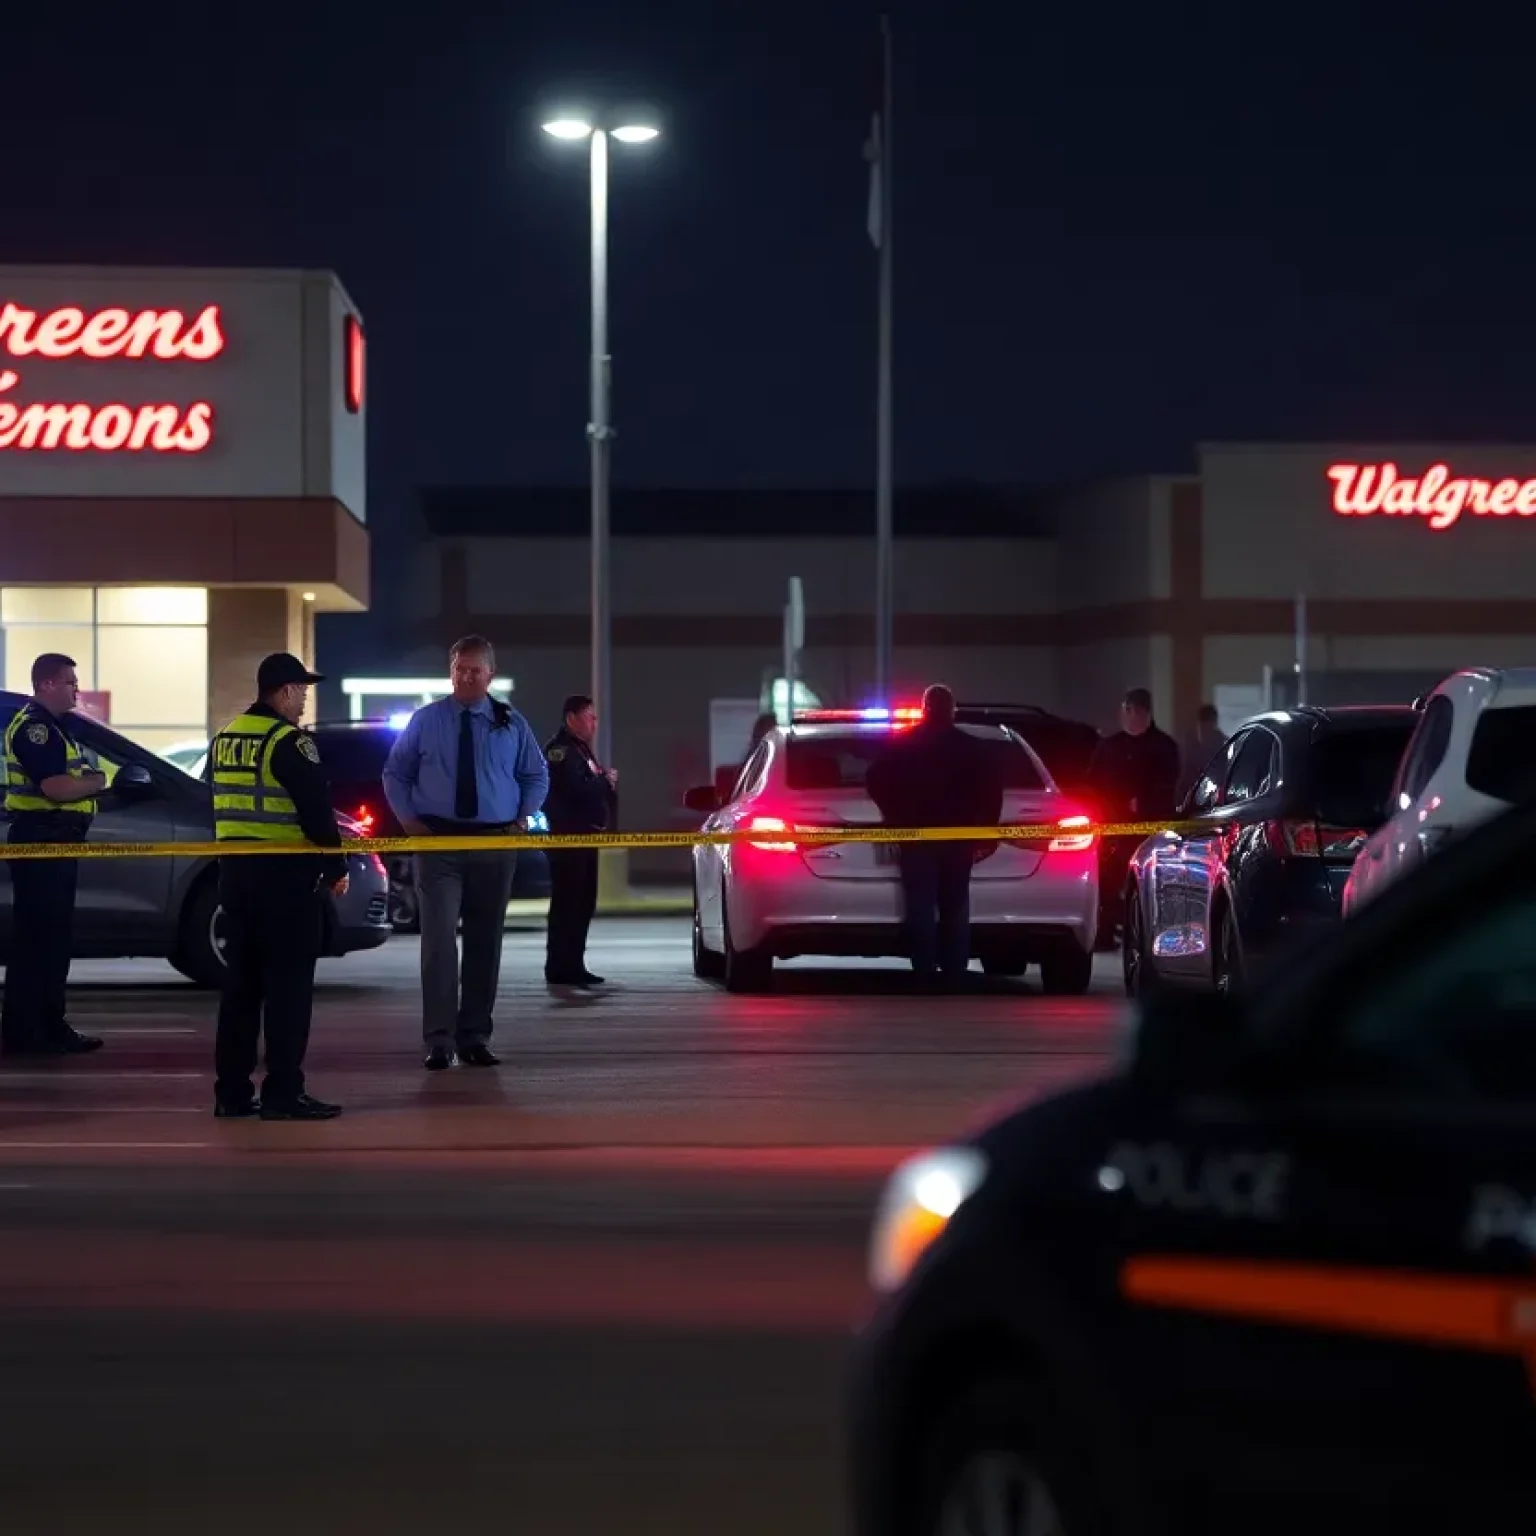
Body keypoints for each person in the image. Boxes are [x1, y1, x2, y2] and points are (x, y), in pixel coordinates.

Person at [382, 636, 549, 1071]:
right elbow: (395, 773)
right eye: (459, 669)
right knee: (438, 943)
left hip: (495, 843)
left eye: (475, 670)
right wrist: (410, 823)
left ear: (491, 674)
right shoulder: (426, 721)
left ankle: (474, 1036)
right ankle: (439, 1039)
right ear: (450, 671)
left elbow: (536, 774)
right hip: (439, 844)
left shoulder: (511, 723)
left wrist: (522, 817)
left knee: (484, 942)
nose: (466, 677)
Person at [209, 652, 347, 1120]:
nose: (305, 700)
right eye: (303, 691)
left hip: (235, 880)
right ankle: (283, 1092)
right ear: (284, 691)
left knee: (241, 991)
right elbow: (318, 812)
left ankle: (230, 1092)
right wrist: (336, 867)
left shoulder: (225, 738)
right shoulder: (289, 742)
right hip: (285, 883)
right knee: (288, 993)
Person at [0, 653, 107, 1057]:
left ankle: (40, 1026)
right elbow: (56, 788)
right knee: (40, 941)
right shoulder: (36, 730)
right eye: (69, 682)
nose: (76, 689)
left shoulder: (53, 728)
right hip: (43, 840)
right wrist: (95, 783)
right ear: (46, 684)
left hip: (53, 841)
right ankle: (34, 1031)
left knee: (48, 939)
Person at [866, 684, 1004, 989]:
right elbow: (993, 792)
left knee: (921, 904)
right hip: (960, 840)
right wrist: (986, 832)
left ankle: (924, 971)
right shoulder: (974, 748)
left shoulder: (903, 745)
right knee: (955, 904)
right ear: (952, 710)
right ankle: (954, 971)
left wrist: (894, 815)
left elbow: (874, 779)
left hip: (917, 839)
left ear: (924, 709)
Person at [1087, 687, 1182, 948]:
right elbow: (1093, 782)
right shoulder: (1109, 746)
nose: (1128, 716)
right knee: (1107, 883)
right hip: (1112, 829)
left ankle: (1147, 932)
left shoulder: (1163, 747)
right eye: (1126, 710)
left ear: (1144, 712)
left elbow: (1168, 785)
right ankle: (1106, 932)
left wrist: (1143, 802)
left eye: (1133, 710)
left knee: (1148, 885)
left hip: (1147, 832)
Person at [542, 694, 619, 986]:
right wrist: (604, 781)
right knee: (568, 903)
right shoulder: (560, 751)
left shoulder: (581, 749)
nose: (594, 723)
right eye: (589, 716)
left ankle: (574, 963)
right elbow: (573, 789)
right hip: (568, 840)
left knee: (584, 902)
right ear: (571, 718)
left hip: (586, 837)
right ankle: (560, 966)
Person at [1180, 702, 1227, 797]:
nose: (1205, 731)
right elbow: (1184, 772)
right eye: (1202, 727)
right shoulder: (1189, 743)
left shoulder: (1224, 745)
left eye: (1207, 727)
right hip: (1191, 793)